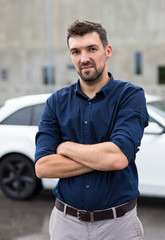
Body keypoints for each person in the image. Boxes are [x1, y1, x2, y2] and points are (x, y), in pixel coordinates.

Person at [34, 20, 149, 239]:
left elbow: (117, 159)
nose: (84, 58)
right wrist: (101, 158)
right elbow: (43, 167)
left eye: (91, 49)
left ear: (107, 51)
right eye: (75, 51)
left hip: (118, 225)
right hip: (66, 225)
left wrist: (66, 147)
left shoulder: (130, 97)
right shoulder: (56, 102)